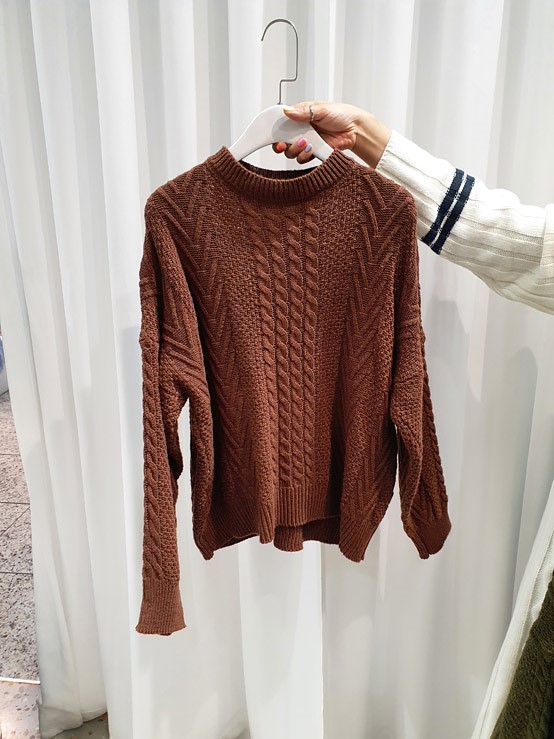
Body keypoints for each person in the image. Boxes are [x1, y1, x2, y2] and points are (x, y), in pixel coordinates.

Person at [274, 102, 554, 737]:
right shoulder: (181, 218)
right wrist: (368, 139)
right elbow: (526, 245)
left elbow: (404, 373)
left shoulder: (377, 223)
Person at [274, 102, 554, 316]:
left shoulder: (374, 219)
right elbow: (515, 240)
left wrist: (360, 130)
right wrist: (359, 130)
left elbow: (520, 246)